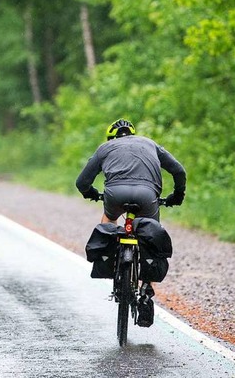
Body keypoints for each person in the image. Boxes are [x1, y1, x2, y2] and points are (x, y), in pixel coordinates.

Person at [75, 118, 186, 327]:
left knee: (109, 220)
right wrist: (177, 196)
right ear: (133, 134)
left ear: (111, 137)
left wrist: (90, 193)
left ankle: (108, 260)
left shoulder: (105, 147)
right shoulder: (150, 143)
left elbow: (82, 181)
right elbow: (178, 171)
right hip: (147, 196)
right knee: (150, 234)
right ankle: (146, 290)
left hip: (115, 195)